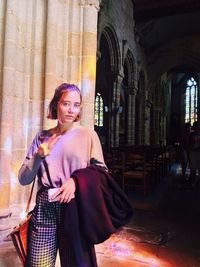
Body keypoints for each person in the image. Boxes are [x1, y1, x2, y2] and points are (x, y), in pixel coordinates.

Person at [18, 83, 106, 267]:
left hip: (75, 206)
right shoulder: (42, 137)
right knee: (38, 264)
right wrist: (38, 156)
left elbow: (102, 174)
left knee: (78, 263)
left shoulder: (88, 135)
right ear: (56, 104)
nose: (71, 110)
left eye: (76, 104)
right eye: (66, 103)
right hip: (45, 207)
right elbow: (23, 179)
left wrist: (76, 181)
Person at [188, 120, 200, 186]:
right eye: (197, 126)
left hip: (198, 152)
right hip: (193, 152)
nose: (198, 127)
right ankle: (193, 182)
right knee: (193, 168)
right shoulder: (191, 134)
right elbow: (189, 144)